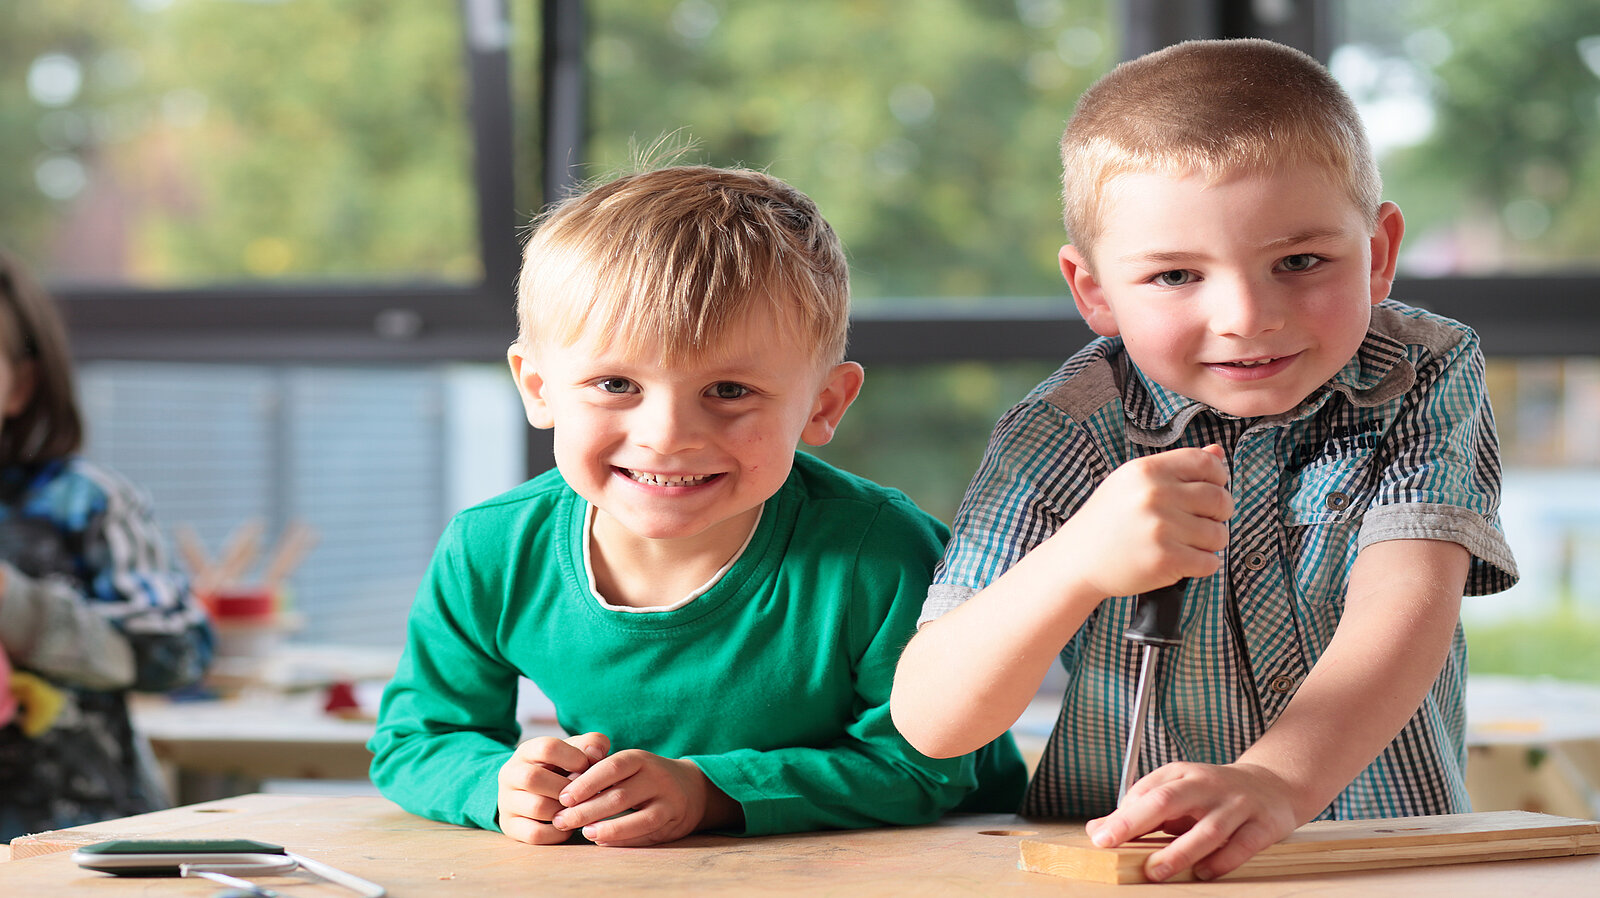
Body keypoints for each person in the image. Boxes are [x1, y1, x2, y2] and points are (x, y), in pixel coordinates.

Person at [890, 39, 1518, 882]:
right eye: (1177, 274)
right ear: (1094, 292)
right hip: (1132, 866)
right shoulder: (1063, 429)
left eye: (1300, 262)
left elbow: (1406, 605)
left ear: (1376, 253)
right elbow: (933, 719)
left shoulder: (1423, 371)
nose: (1248, 316)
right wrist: (1075, 561)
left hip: (1374, 860)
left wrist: (1275, 782)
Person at [369, 164, 1028, 848]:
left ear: (824, 404)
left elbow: (930, 768)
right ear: (538, 389)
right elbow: (421, 739)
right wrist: (497, 784)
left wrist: (709, 791)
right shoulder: (492, 550)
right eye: (616, 383)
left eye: (730, 391)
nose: (667, 436)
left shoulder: (881, 554)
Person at [0, 247, 213, 840]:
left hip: (80, 838)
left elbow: (176, 650)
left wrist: (17, 606)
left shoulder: (84, 502)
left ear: (19, 387)